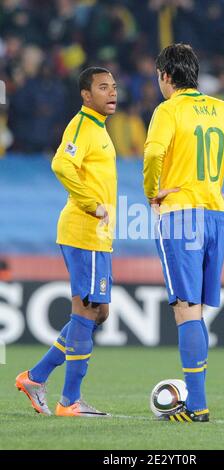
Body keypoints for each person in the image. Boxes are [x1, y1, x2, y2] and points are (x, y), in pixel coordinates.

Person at [143, 44, 224, 423]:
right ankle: (196, 400)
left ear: (166, 76)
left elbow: (152, 155)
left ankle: (197, 406)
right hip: (216, 218)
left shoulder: (168, 111)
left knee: (186, 311)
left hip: (180, 215)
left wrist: (152, 191)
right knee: (196, 310)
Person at [16, 66, 118, 417]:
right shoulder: (82, 125)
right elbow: (61, 164)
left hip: (97, 236)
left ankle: (35, 376)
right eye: (103, 87)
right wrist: (91, 204)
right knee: (86, 311)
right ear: (86, 95)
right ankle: (69, 401)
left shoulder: (99, 129)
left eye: (114, 87)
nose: (112, 92)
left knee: (98, 313)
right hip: (83, 231)